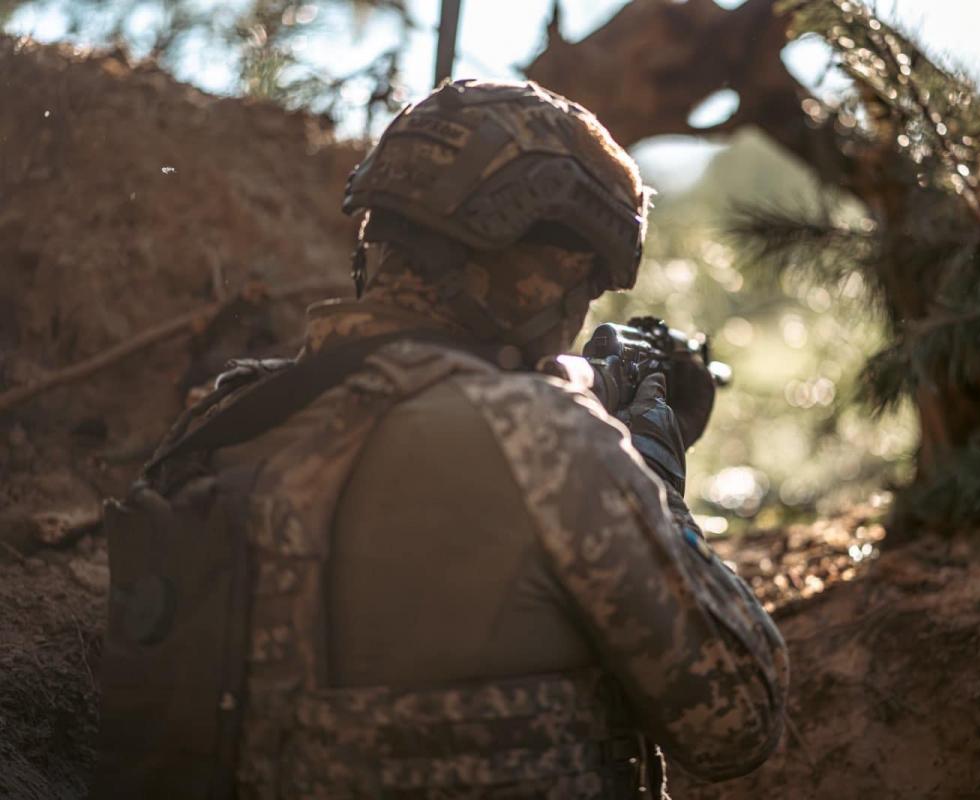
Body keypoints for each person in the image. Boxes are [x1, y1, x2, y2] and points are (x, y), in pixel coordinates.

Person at [94, 79, 787, 800]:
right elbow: (739, 721)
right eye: (585, 285)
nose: (580, 310)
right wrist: (656, 485)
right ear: (543, 272)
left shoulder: (224, 418)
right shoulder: (540, 439)